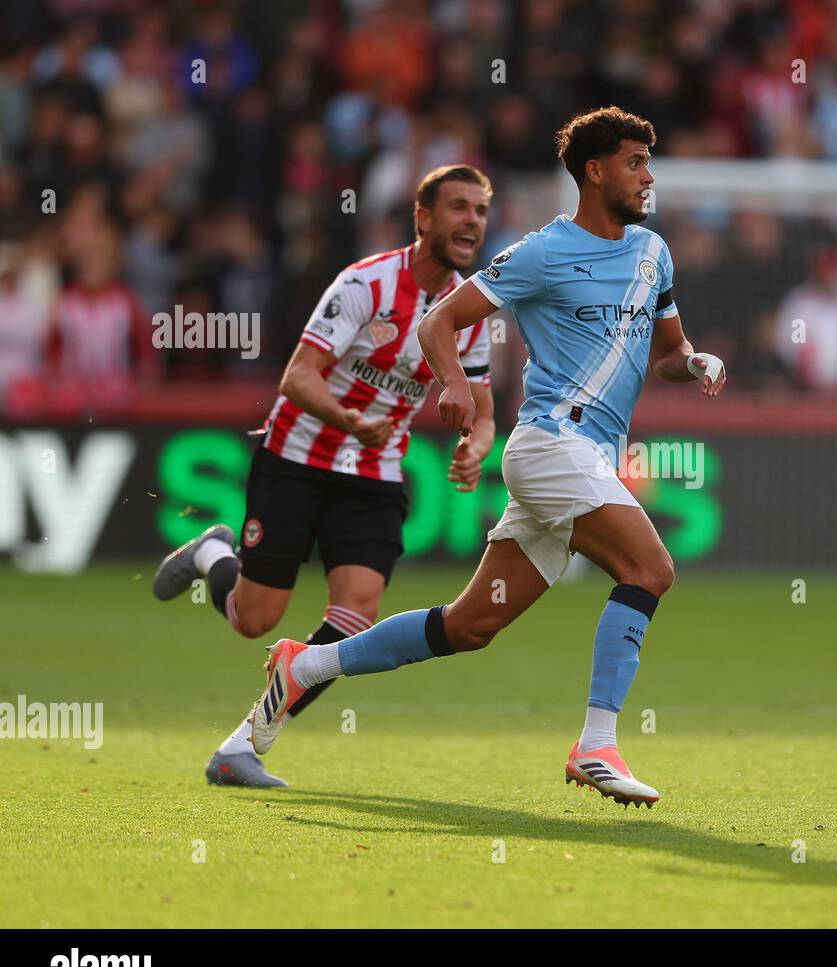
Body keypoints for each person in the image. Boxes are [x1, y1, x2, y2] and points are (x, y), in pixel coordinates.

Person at [249, 107, 727, 808]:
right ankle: (596, 744)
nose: (648, 177)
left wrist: (699, 360)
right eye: (634, 163)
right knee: (650, 568)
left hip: (587, 457)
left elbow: (668, 356)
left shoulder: (653, 254)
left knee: (471, 626)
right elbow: (437, 319)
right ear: (594, 172)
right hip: (549, 444)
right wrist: (452, 385)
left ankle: (306, 664)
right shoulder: (539, 252)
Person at [151, 165, 496, 787]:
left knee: (356, 614)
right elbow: (298, 376)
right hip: (297, 457)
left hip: (374, 471)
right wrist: (347, 418)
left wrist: (478, 445)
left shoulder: (470, 309)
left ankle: (243, 746)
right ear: (423, 218)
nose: (472, 220)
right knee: (255, 618)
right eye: (458, 207)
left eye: (479, 210)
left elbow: (482, 405)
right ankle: (212, 553)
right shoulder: (365, 283)